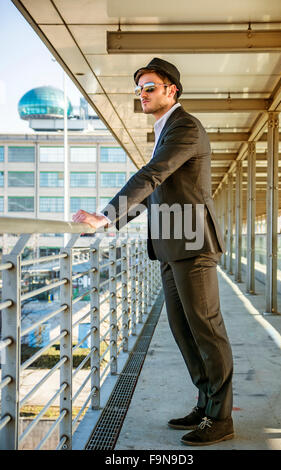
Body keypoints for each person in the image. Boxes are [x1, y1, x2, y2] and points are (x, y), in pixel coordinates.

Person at [73, 58, 234, 446]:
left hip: (192, 244)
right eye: (139, 89)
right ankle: (205, 404)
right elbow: (156, 193)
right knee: (185, 332)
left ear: (171, 91)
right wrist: (114, 223)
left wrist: (105, 214)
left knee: (207, 330)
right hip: (170, 248)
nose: (141, 94)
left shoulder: (185, 127)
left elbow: (151, 177)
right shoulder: (165, 132)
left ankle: (221, 417)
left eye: (149, 87)